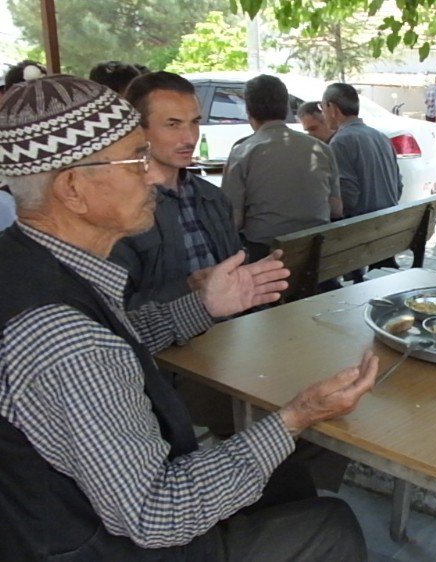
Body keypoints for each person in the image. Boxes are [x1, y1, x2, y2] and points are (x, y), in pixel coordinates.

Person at [0, 75, 377, 561]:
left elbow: (118, 338)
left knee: (283, 476)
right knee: (331, 524)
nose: (154, 176)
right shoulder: (67, 342)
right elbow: (157, 515)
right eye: (136, 160)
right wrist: (295, 416)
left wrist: (202, 305)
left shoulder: (25, 262)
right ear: (72, 188)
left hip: (57, 515)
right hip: (102, 543)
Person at [111, 71, 242, 309]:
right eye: (173, 125)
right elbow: (113, 310)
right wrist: (189, 288)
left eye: (195, 122)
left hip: (227, 334)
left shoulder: (213, 198)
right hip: (162, 343)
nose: (190, 137)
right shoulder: (119, 209)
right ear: (138, 130)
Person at [222, 75, 342, 260]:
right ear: (286, 107)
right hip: (317, 254)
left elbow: (233, 221)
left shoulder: (242, 152)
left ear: (248, 110)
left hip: (266, 255)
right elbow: (336, 210)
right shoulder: (321, 149)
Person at [322, 82, 403, 217]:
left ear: (332, 108)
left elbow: (347, 197)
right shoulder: (381, 137)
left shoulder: (340, 142)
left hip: (362, 228)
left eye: (322, 106)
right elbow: (398, 188)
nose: (322, 113)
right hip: (389, 222)